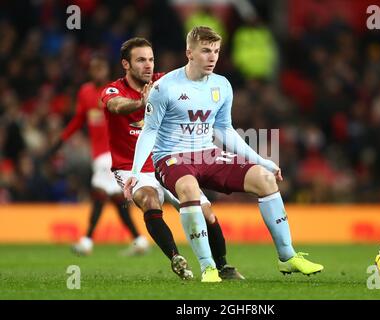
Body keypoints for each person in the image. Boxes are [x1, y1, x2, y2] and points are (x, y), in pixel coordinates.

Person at [125, 26, 324, 282]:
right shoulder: (164, 88)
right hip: (171, 158)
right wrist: (134, 172)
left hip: (207, 154)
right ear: (190, 53)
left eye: (216, 51)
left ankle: (287, 257)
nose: (212, 57)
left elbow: (224, 130)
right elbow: (149, 132)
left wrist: (263, 161)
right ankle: (208, 267)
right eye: (206, 51)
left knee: (265, 179)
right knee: (188, 188)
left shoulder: (222, 85)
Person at [101, 37, 244, 280]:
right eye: (140, 60)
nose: (148, 65)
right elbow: (116, 106)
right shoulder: (113, 90)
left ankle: (223, 265)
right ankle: (176, 258)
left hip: (171, 162)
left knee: (207, 212)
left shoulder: (165, 82)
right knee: (149, 200)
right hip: (133, 168)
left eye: (151, 59)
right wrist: (142, 102)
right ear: (126, 64)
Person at [45, 55, 149, 256]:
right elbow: (78, 120)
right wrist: (60, 141)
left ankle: (86, 241)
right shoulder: (85, 92)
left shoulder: (114, 93)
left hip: (112, 152)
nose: (98, 72)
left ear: (107, 71)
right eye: (94, 68)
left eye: (101, 68)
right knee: (116, 199)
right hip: (99, 154)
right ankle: (139, 239)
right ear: (90, 71)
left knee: (98, 194)